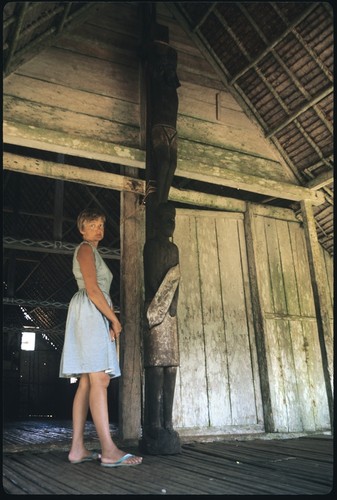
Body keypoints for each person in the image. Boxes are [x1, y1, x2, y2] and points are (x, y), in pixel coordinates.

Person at [59, 208, 142, 467]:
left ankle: (77, 449)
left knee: (87, 381)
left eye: (101, 225)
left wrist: (108, 318)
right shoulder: (85, 249)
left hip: (92, 312)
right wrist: (115, 319)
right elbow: (93, 289)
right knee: (100, 378)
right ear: (82, 229)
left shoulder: (93, 251)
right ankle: (108, 450)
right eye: (92, 224)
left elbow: (96, 292)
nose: (98, 229)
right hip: (90, 310)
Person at [142, 202, 181, 454]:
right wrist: (161, 306)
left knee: (171, 369)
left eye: (172, 219)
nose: (170, 223)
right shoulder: (151, 246)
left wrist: (173, 305)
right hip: (155, 311)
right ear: (155, 222)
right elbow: (154, 279)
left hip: (170, 314)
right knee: (155, 369)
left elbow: (177, 279)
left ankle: (168, 422)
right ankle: (153, 424)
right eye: (165, 218)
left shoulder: (174, 248)